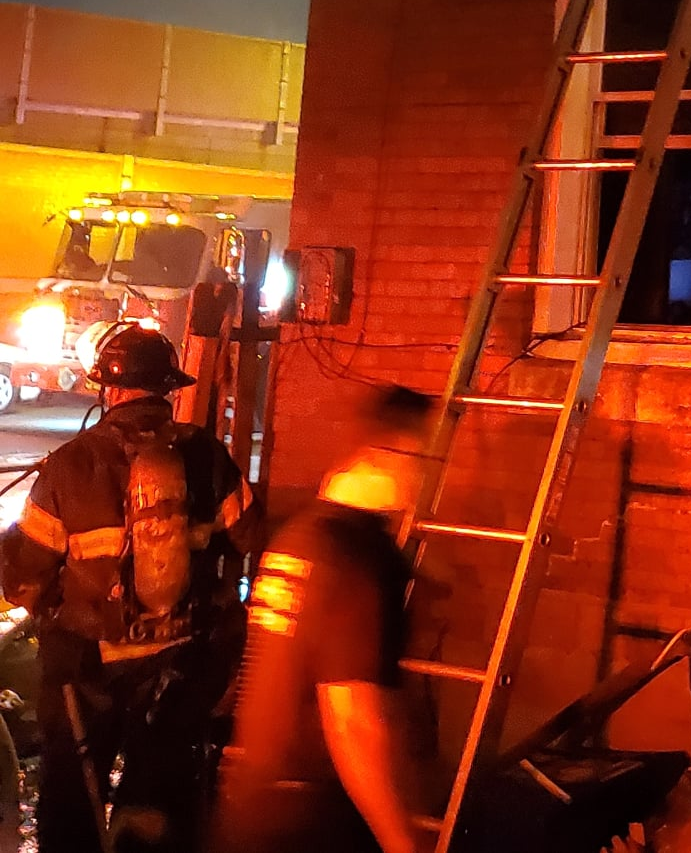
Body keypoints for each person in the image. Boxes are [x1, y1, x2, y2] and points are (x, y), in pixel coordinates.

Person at [0, 324, 253, 853]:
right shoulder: (207, 453)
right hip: (181, 657)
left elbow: (27, 575)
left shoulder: (71, 463)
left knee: (73, 784)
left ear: (109, 390)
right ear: (166, 389)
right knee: (160, 780)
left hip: (88, 664)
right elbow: (249, 534)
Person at [210, 384, 433, 853]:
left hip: (254, 803)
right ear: (398, 451)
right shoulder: (361, 558)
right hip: (315, 816)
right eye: (427, 454)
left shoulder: (302, 534)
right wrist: (401, 841)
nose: (432, 474)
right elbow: (353, 717)